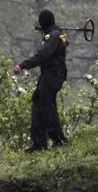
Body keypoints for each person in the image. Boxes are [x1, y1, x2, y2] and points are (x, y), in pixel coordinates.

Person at [13, 9, 69, 153]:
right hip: (52, 75)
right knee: (39, 103)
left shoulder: (52, 37)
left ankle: (58, 139)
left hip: (52, 74)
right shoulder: (59, 34)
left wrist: (23, 65)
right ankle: (39, 143)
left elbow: (42, 56)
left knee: (46, 106)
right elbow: (63, 43)